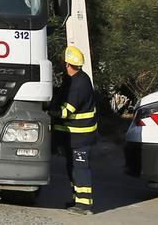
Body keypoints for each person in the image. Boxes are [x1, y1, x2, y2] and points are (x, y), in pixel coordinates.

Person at [50, 45, 98, 215]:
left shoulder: (79, 84)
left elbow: (66, 112)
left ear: (67, 64)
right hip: (74, 136)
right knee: (72, 167)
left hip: (81, 136)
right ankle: (78, 200)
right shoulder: (75, 78)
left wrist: (50, 111)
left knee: (80, 168)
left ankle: (85, 205)